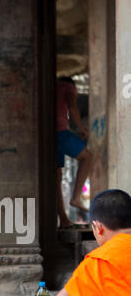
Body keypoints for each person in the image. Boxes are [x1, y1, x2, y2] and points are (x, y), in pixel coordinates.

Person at [56, 77, 93, 228]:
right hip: (60, 132)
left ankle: (63, 219)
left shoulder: (53, 87)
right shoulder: (68, 87)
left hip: (46, 134)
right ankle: (76, 197)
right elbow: (72, 108)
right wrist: (81, 129)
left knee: (56, 177)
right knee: (87, 157)